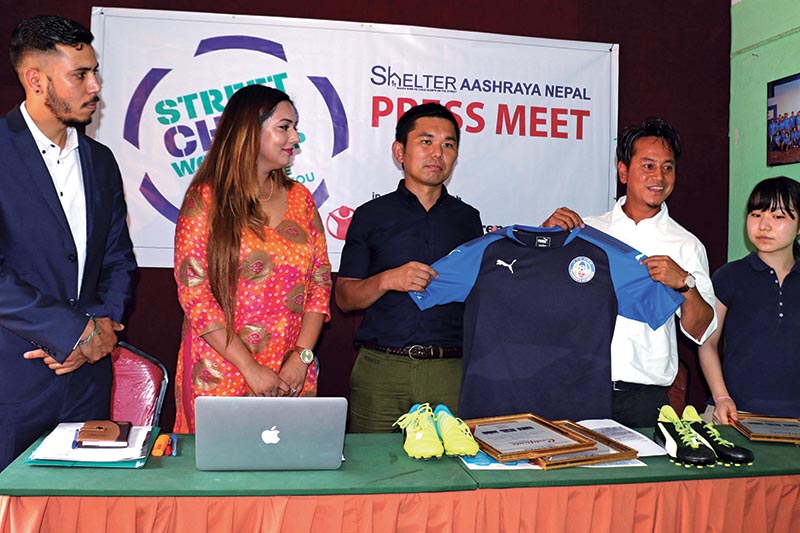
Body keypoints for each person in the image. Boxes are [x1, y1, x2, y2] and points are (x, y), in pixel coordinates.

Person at [0, 16, 137, 470]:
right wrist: (71, 333)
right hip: (12, 381)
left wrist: (101, 331)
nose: (95, 86)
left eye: (94, 72)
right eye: (80, 75)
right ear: (35, 80)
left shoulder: (101, 161)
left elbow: (118, 259)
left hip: (88, 382)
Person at [173, 85, 331, 433]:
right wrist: (249, 367)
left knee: (287, 473)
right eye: (284, 127)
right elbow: (195, 295)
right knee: (222, 479)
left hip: (291, 373)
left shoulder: (301, 199)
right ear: (249, 132)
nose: (295, 136)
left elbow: (319, 283)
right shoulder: (205, 200)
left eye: (295, 127)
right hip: (222, 371)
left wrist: (301, 358)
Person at [543, 117, 716, 428]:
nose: (659, 177)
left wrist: (685, 284)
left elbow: (702, 330)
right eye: (648, 166)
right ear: (623, 171)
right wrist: (546, 240)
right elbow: (542, 295)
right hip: (576, 389)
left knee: (644, 479)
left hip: (643, 398)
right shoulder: (587, 231)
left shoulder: (686, 245)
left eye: (668, 167)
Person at [336, 103, 483, 433]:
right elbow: (345, 298)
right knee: (374, 475)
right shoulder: (371, 215)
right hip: (381, 370)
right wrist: (388, 279)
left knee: (451, 475)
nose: (437, 153)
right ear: (399, 151)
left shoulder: (468, 219)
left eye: (448, 144)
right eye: (426, 141)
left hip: (449, 369)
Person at [698, 177, 800, 423]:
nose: (764, 226)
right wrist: (721, 397)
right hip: (734, 415)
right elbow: (707, 344)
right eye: (756, 214)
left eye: (778, 217)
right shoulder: (729, 276)